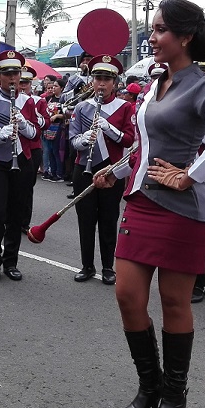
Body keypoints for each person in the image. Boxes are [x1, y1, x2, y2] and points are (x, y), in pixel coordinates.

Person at [94, 0, 205, 408]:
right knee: (127, 296)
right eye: (152, 29)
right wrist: (117, 170)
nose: (152, 37)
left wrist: (189, 177)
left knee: (174, 302)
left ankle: (174, 396)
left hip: (182, 211)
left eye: (159, 30)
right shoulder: (158, 82)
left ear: (185, 37)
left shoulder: (204, 87)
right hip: (141, 202)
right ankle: (149, 385)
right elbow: (147, 149)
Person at [68, 55, 134, 285]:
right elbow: (73, 140)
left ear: (115, 83)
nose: (102, 83)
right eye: (98, 78)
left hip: (111, 171)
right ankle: (87, 265)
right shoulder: (81, 107)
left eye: (107, 79)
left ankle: (108, 267)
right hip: (83, 168)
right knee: (85, 220)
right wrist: (85, 139)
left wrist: (109, 129)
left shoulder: (125, 107)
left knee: (108, 219)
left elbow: (128, 140)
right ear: (92, 81)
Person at [0, 50, 39, 283]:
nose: (13, 78)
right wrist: (2, 134)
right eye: (8, 74)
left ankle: (10, 261)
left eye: (16, 73)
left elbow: (35, 134)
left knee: (16, 213)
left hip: (21, 160)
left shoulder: (28, 101)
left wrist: (22, 124)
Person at [19, 65, 50, 232]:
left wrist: (34, 115)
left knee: (27, 185)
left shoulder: (39, 101)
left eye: (26, 82)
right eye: (20, 82)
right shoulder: (10, 99)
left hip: (33, 147)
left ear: (31, 83)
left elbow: (47, 123)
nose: (22, 85)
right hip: (14, 147)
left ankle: (24, 221)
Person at [42, 79, 64, 181]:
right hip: (49, 127)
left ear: (62, 88)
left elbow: (67, 114)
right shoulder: (48, 99)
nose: (53, 88)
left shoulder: (63, 99)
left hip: (59, 127)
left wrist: (57, 116)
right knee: (49, 150)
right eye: (53, 86)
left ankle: (59, 174)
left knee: (56, 151)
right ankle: (52, 172)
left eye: (56, 86)